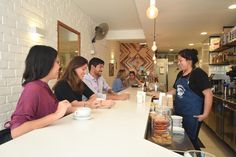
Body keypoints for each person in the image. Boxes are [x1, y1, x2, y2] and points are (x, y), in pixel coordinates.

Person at [4, 45, 71, 140]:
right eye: (57, 62)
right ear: (45, 63)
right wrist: (56, 115)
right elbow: (16, 131)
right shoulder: (33, 88)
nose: (60, 66)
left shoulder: (43, 86)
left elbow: (53, 109)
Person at [167, 49, 213, 150]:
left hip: (192, 115)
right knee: (181, 138)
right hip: (179, 113)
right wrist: (162, 95)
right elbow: (174, 90)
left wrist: (205, 114)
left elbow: (208, 94)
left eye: (180, 60)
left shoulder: (198, 74)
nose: (178, 63)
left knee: (191, 140)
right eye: (178, 61)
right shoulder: (180, 74)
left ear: (189, 60)